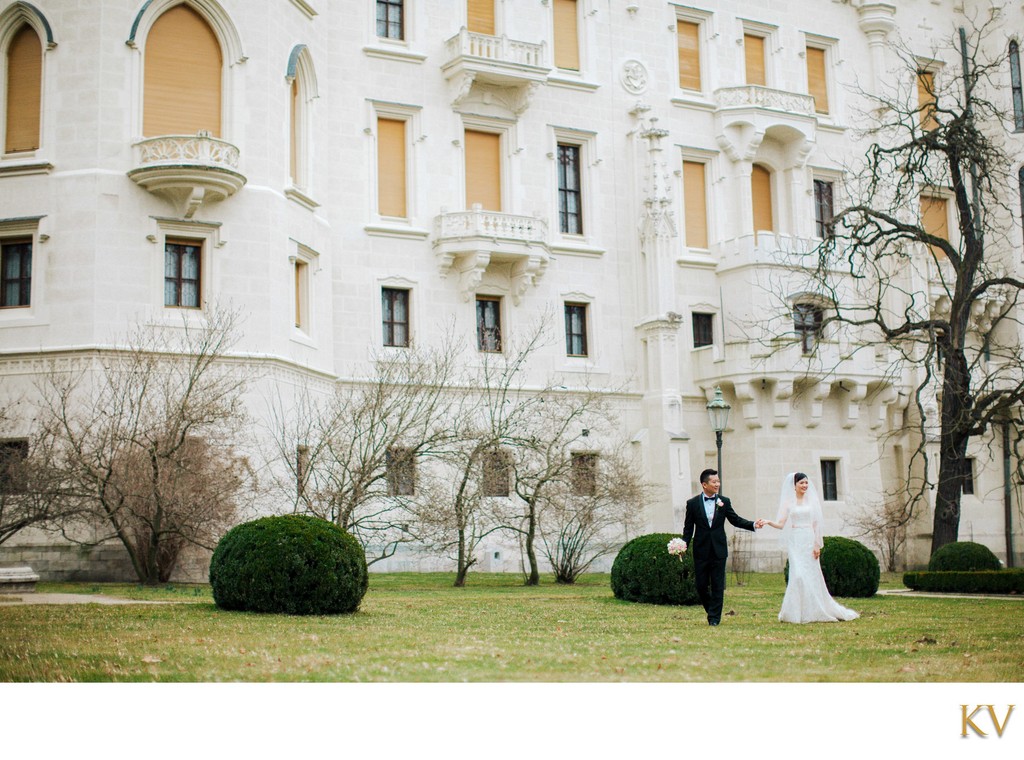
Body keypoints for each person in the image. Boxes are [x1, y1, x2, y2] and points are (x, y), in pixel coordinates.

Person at [764, 472, 859, 624]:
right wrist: (769, 522)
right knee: (798, 576)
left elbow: (817, 525)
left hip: (809, 539)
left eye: (806, 483)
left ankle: (816, 609)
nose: (804, 486)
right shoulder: (788, 502)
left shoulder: (811, 501)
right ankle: (794, 613)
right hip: (795, 540)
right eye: (801, 483)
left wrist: (817, 544)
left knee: (812, 575)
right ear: (794, 485)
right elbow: (781, 524)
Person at [680, 468, 764, 626]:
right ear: (704, 484)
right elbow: (688, 528)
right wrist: (683, 544)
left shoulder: (724, 501)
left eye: (718, 481)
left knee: (718, 585)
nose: (717, 484)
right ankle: (712, 610)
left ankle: (714, 619)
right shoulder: (692, 504)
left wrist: (753, 524)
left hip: (719, 550)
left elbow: (735, 520)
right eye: (714, 482)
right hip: (701, 550)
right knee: (701, 586)